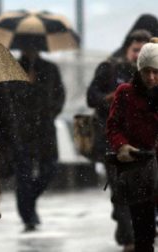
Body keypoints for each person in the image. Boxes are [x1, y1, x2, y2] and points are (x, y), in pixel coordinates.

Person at [87, 29, 151, 251]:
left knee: (143, 193)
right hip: (113, 142)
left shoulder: (150, 75)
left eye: (144, 51)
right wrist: (110, 98)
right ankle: (129, 239)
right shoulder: (110, 68)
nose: (138, 56)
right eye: (135, 50)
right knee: (122, 190)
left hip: (144, 145)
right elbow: (91, 97)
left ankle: (133, 231)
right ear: (127, 49)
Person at [106, 42, 158, 252]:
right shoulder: (125, 93)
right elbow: (113, 126)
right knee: (143, 231)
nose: (151, 77)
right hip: (139, 169)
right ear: (139, 69)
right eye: (147, 71)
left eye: (156, 72)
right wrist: (122, 146)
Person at [14, 45, 65, 232]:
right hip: (22, 129)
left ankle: (28, 200)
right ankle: (29, 215)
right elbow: (9, 97)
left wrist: (50, 112)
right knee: (24, 173)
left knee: (50, 168)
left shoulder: (50, 69)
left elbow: (60, 95)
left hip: (45, 128)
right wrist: (26, 86)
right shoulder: (12, 67)